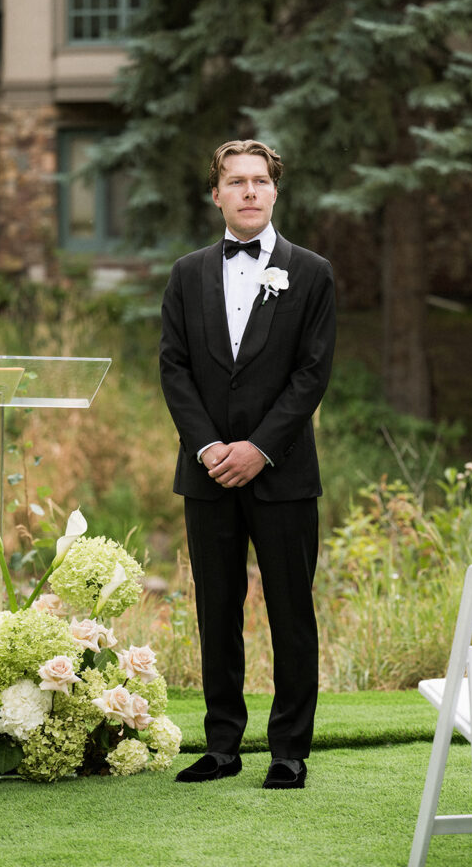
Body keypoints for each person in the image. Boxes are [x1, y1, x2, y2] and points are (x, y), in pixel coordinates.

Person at [159, 138, 336, 789]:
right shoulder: (186, 274)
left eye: (260, 181)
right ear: (216, 194)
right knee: (217, 608)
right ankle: (222, 745)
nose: (249, 191)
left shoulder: (310, 272)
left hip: (283, 473)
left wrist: (258, 449)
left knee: (291, 610)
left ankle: (289, 749)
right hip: (206, 475)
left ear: (275, 191)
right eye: (235, 181)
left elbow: (311, 373)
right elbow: (173, 368)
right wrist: (209, 448)